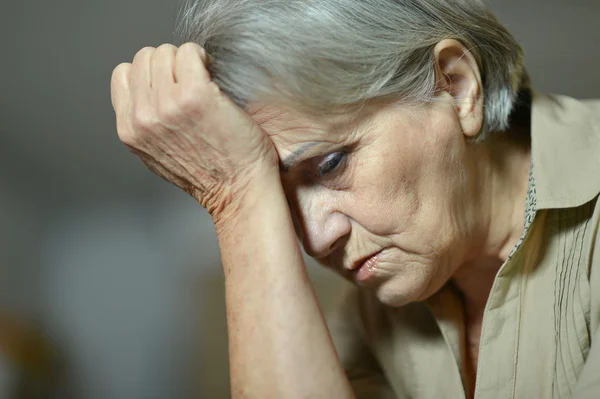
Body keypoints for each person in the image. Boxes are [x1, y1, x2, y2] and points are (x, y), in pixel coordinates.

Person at [110, 0, 600, 397]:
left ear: (455, 86)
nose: (317, 240)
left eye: (330, 164)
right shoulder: (367, 322)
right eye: (278, 202)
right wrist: (236, 198)